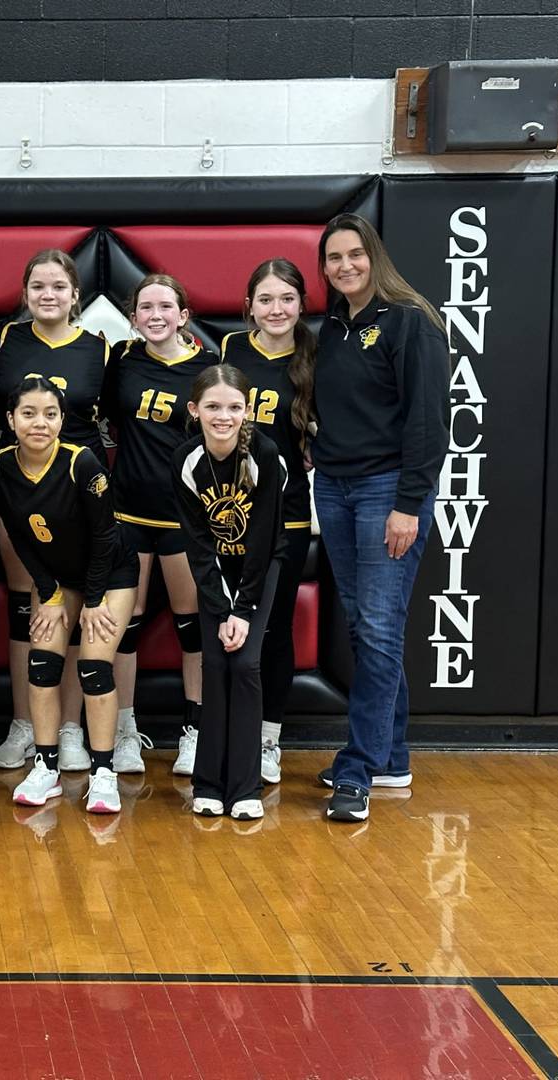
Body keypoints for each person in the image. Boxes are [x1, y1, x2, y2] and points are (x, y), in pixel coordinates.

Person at [312, 213, 449, 823]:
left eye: (355, 255)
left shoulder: (409, 322)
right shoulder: (334, 326)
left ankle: (358, 768)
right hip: (334, 489)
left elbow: (427, 422)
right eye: (334, 258)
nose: (345, 266)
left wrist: (407, 504)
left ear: (375, 258)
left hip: (386, 491)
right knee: (368, 627)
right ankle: (390, 757)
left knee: (379, 628)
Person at [0, 249, 112, 776]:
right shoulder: (5, 339)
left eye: (59, 286)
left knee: (76, 608)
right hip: (20, 482)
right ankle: (24, 724)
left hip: (78, 486)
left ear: (75, 294)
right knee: (30, 604)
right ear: (26, 292)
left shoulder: (99, 348)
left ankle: (70, 729)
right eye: (38, 286)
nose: (48, 295)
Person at [0, 377, 139, 815]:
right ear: (11, 420)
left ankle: (103, 774)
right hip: (58, 579)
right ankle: (45, 767)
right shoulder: (2, 464)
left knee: (94, 666)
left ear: (62, 420)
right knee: (42, 663)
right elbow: (19, 535)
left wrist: (93, 601)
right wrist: (49, 591)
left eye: (51, 414)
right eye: (29, 413)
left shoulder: (82, 461)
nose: (40, 423)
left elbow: (104, 536)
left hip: (109, 574)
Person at [102, 274, 219, 777]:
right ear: (134, 317)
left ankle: (193, 731)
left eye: (165, 306)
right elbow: (105, 420)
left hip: (184, 515)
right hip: (127, 511)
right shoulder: (121, 361)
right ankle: (125, 730)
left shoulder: (205, 370)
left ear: (183, 315)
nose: (155, 315)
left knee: (191, 627)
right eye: (145, 307)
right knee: (125, 626)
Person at [220, 259, 318, 786]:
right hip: (227, 514)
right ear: (249, 305)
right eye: (265, 299)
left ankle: (269, 739)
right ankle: (224, 732)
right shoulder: (231, 351)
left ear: (301, 305)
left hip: (287, 516)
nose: (276, 309)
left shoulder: (314, 357)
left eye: (286, 298)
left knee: (274, 631)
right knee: (227, 628)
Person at [173, 364, 287, 820]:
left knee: (245, 664)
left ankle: (245, 789)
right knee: (216, 661)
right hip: (214, 575)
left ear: (247, 410)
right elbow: (199, 547)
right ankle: (209, 785)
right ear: (195, 410)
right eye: (214, 407)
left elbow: (262, 542)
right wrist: (221, 610)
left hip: (258, 572)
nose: (224, 416)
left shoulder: (265, 453)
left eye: (234, 407)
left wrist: (242, 610)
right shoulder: (187, 461)